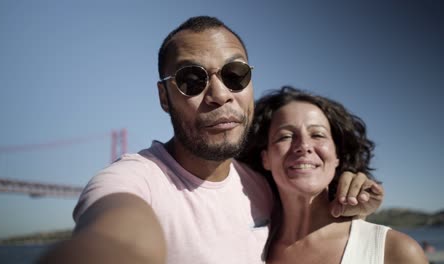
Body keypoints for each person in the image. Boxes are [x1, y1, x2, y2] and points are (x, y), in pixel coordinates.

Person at [39, 16, 383, 264]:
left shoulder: (261, 186)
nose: (219, 95)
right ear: (164, 97)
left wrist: (349, 202)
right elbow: (116, 236)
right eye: (192, 79)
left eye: (235, 75)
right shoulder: (132, 181)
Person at [239, 86, 426, 263]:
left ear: (337, 156)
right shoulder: (249, 248)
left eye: (318, 135)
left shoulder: (394, 250)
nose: (303, 146)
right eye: (285, 136)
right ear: (266, 159)